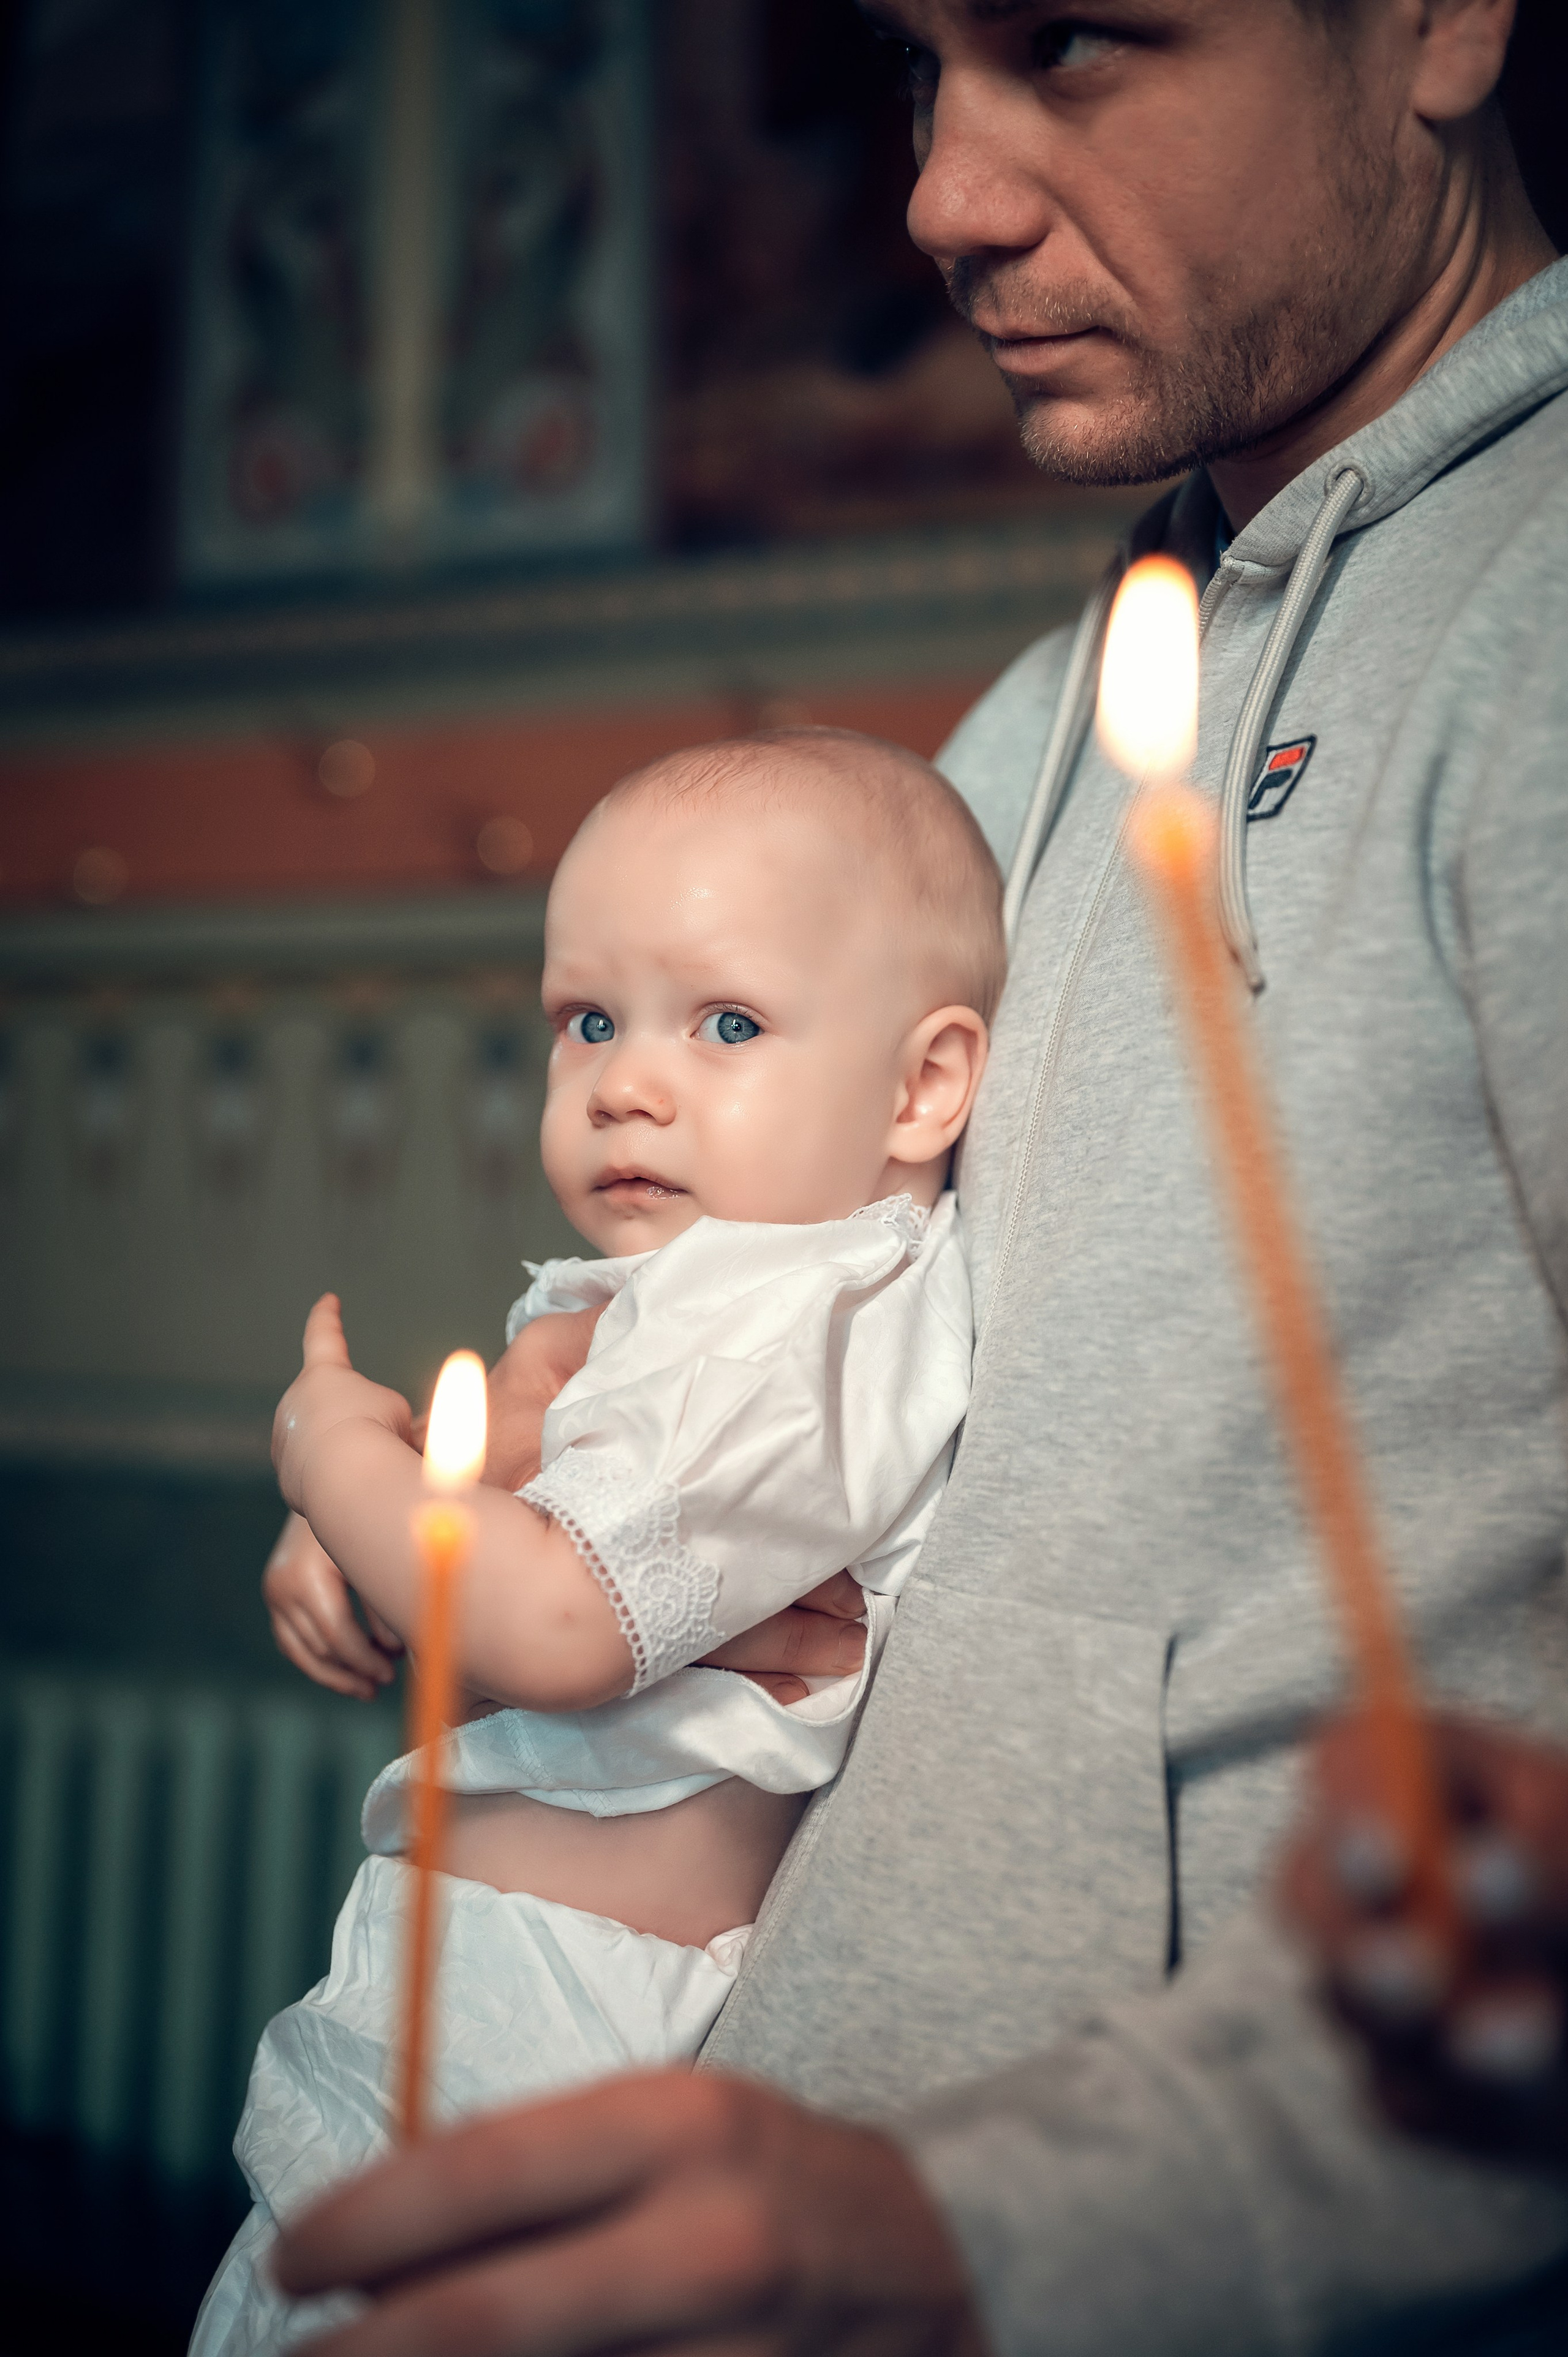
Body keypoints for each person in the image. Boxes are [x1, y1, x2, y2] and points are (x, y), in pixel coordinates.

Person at [270, 2, 1568, 2351]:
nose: (943, 197)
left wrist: (997, 2231)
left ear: (1441, 21)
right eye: (915, 68)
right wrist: (519, 1468)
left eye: (1074, 42)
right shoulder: (1036, 723)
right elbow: (798, 1345)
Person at [194, 728, 1000, 2353]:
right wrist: (364, 1532)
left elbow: (555, 1625)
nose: (626, 1080)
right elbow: (490, 1530)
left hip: (573, 2011)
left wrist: (323, 1451)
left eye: (725, 1022)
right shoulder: (680, 1294)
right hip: (499, 1971)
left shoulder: (799, 1320)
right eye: (587, 1021)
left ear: (922, 1087)